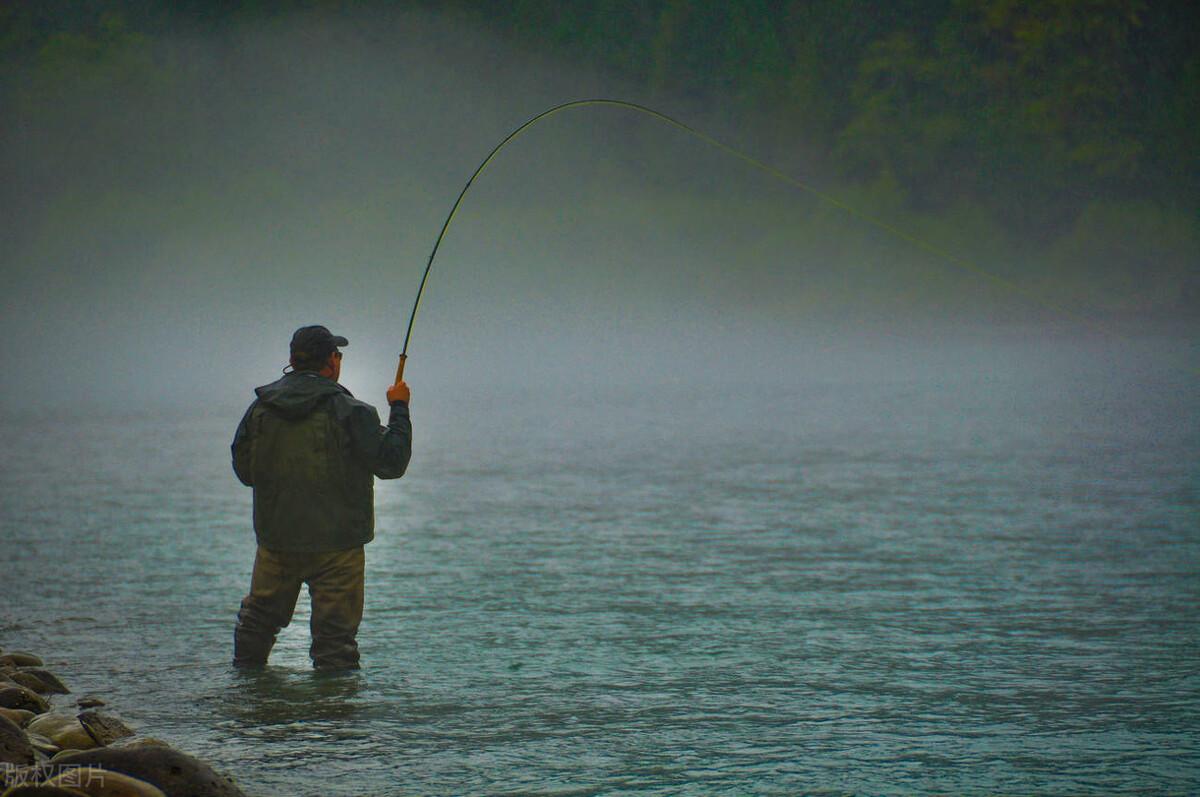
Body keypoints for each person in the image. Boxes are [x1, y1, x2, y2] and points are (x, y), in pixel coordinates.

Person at [231, 325, 412, 670]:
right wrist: (399, 408)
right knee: (335, 646)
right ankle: (335, 721)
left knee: (256, 628)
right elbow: (392, 463)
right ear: (331, 361)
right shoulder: (351, 411)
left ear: (292, 361)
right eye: (338, 355)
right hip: (338, 548)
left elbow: (244, 471)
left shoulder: (260, 409)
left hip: (277, 542)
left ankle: (249, 708)